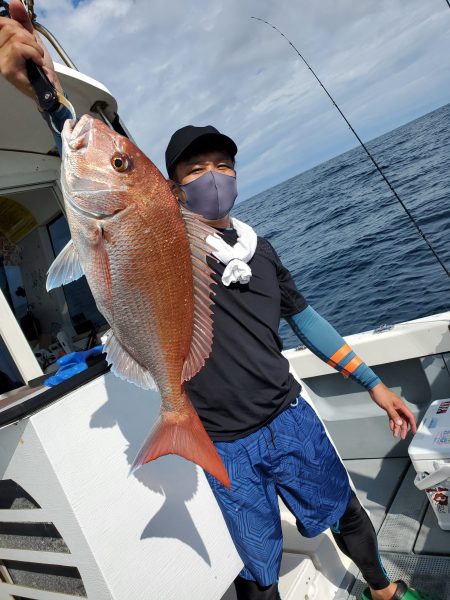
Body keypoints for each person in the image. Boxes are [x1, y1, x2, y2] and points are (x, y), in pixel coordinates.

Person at [0, 3, 438, 599]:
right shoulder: (164, 232)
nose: (213, 175)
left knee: (345, 512)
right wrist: (45, 92)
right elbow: (96, 160)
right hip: (222, 441)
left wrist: (375, 384)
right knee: (258, 566)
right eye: (196, 167)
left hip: (290, 417)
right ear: (172, 186)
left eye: (224, 164)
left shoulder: (262, 250)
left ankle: (384, 591)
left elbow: (305, 319)